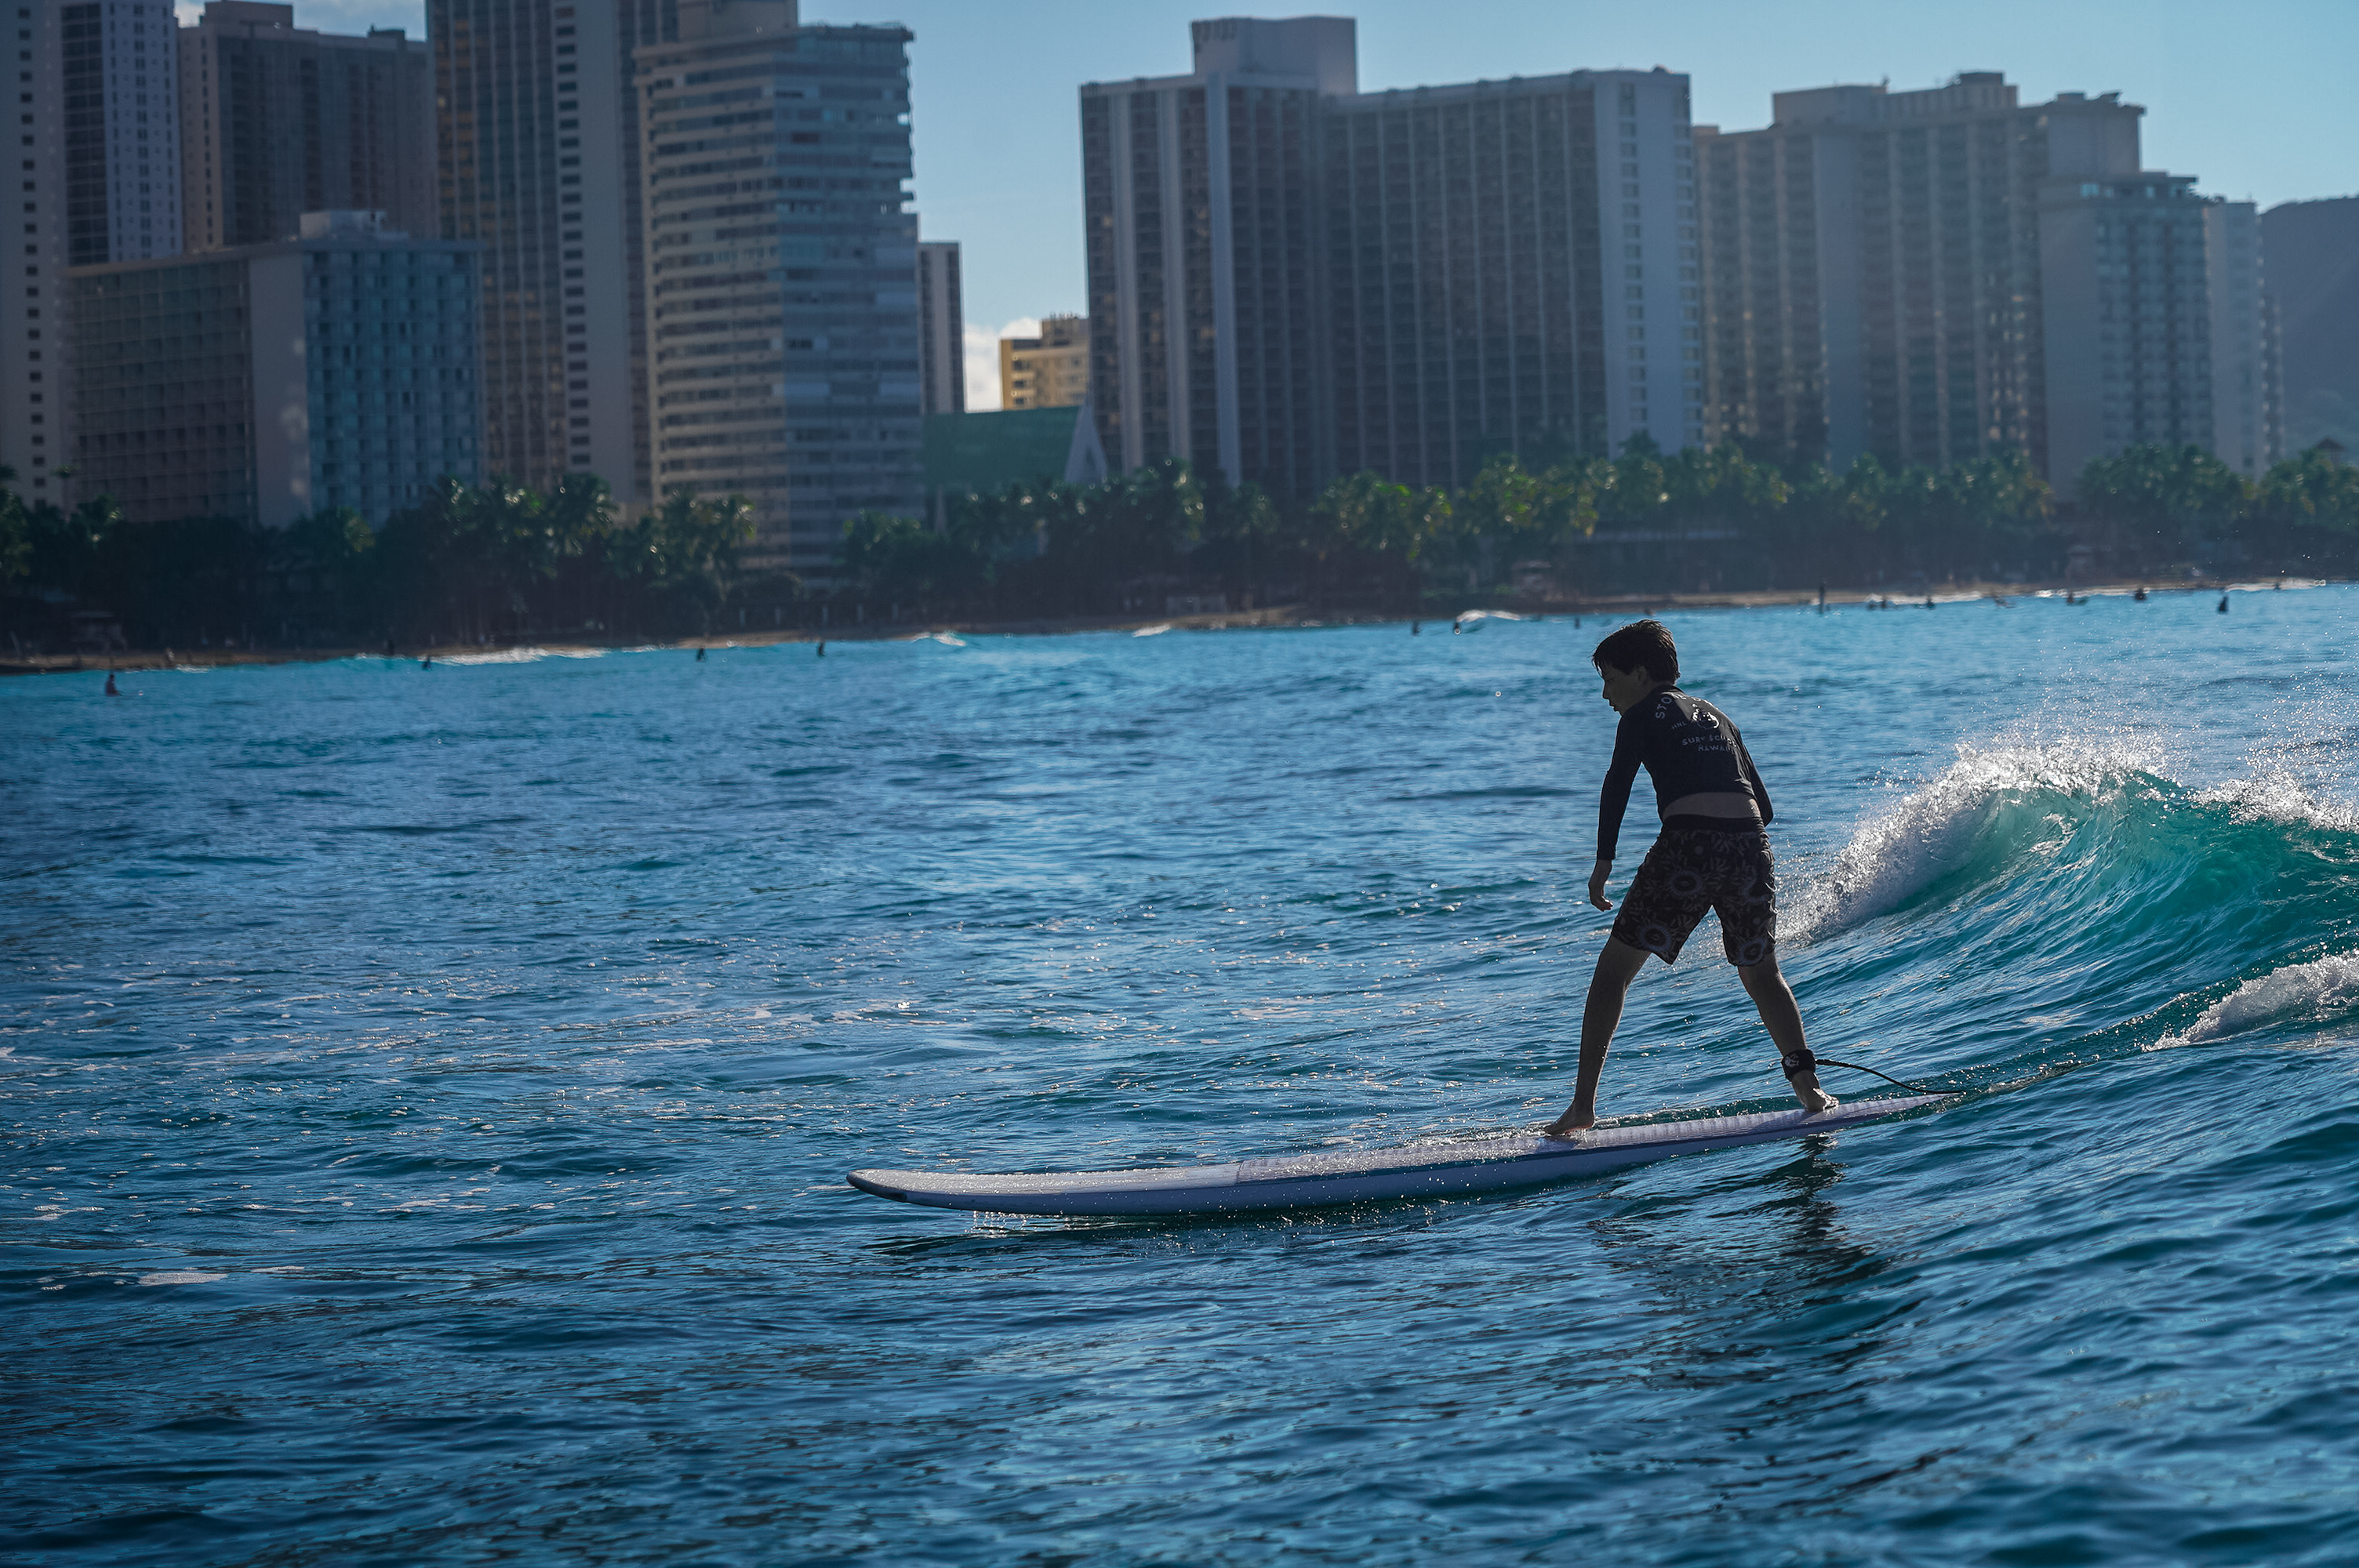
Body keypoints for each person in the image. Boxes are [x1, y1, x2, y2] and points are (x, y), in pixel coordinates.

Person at [1543, 619, 1837, 1137]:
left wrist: (1604, 862)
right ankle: (1809, 1089)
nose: (1606, 694)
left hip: (1689, 844)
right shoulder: (1720, 717)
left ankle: (1582, 1107)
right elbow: (1763, 809)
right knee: (1762, 972)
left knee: (1613, 973)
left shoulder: (1639, 716)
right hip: (1750, 845)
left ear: (1638, 675)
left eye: (1609, 680)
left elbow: (1617, 784)